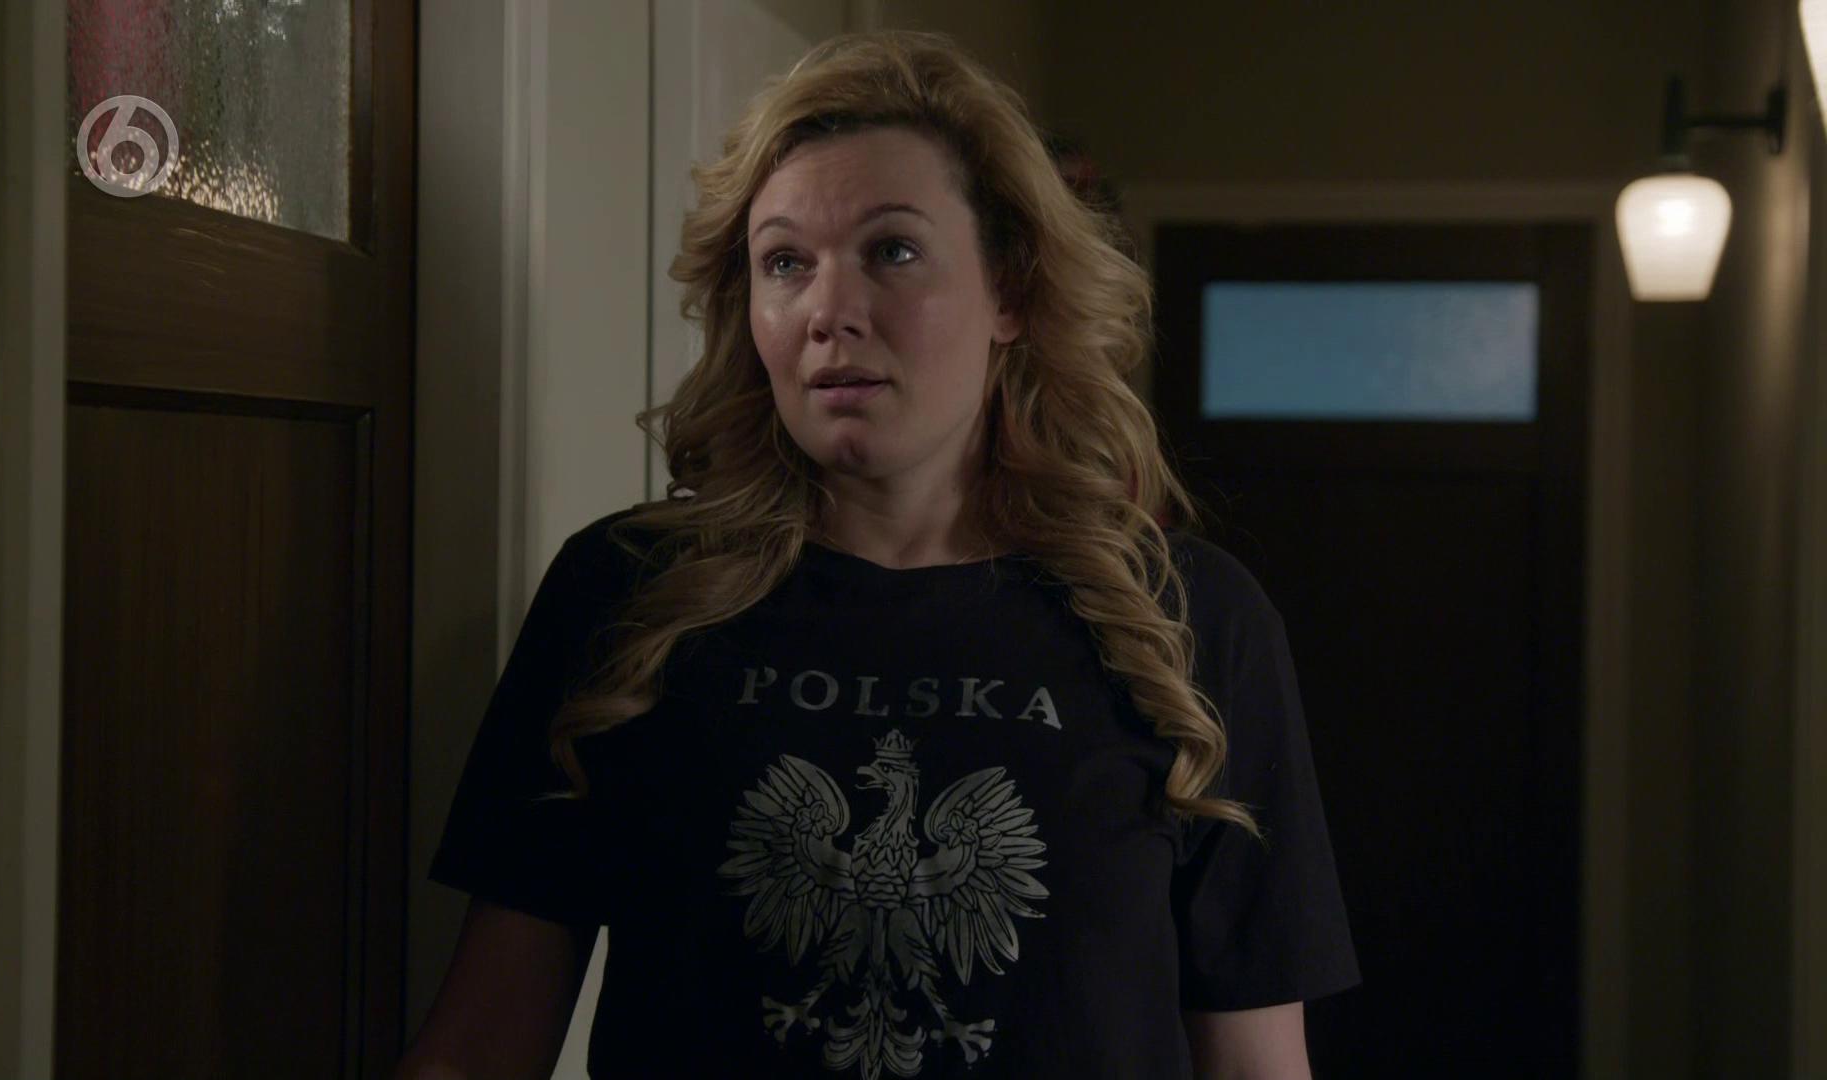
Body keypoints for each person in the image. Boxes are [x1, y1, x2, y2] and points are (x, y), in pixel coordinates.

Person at [396, 30, 1358, 1080]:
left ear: (1010, 292)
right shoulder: (626, 597)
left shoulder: (1189, 622)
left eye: (892, 251)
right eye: (785, 263)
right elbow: (478, 1048)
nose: (829, 313)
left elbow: (1257, 1065)